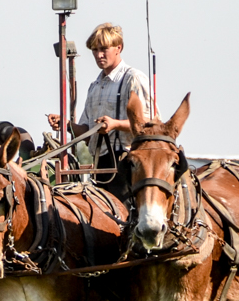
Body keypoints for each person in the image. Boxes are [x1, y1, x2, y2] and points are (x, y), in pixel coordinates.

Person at [46, 22, 157, 195]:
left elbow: (150, 123)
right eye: (95, 50)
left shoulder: (132, 79)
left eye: (104, 49)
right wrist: (66, 125)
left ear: (118, 48)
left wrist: (115, 125)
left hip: (128, 161)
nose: (99, 55)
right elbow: (88, 132)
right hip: (101, 164)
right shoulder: (95, 86)